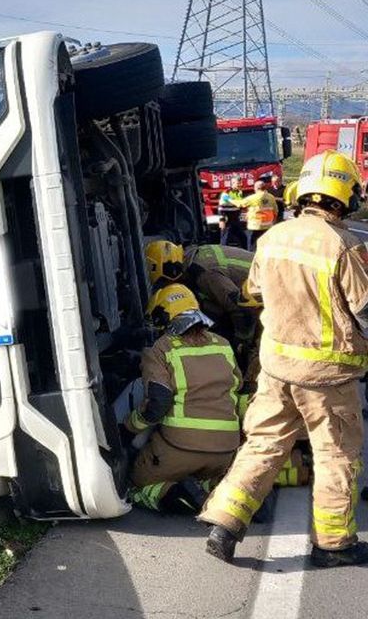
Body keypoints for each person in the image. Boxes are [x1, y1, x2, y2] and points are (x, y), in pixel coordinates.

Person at [200, 150, 368, 568]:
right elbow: (364, 310)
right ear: (345, 196)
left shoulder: (272, 237)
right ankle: (333, 545)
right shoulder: (345, 247)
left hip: (276, 370)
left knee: (263, 445)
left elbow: (253, 291)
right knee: (335, 455)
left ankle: (224, 524)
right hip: (327, 376)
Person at [126, 285, 242, 513]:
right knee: (209, 474)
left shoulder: (161, 348)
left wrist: (130, 425)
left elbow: (158, 403)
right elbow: (237, 389)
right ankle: (216, 489)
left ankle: (179, 495)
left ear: (164, 316)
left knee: (135, 485)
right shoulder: (223, 344)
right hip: (225, 449)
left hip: (178, 448)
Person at [237, 180, 279, 251]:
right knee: (265, 247)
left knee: (252, 247)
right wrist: (273, 222)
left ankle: (251, 260)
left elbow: (240, 204)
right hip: (267, 226)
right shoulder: (271, 197)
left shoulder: (253, 198)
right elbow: (275, 211)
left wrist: (229, 199)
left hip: (255, 226)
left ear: (256, 188)